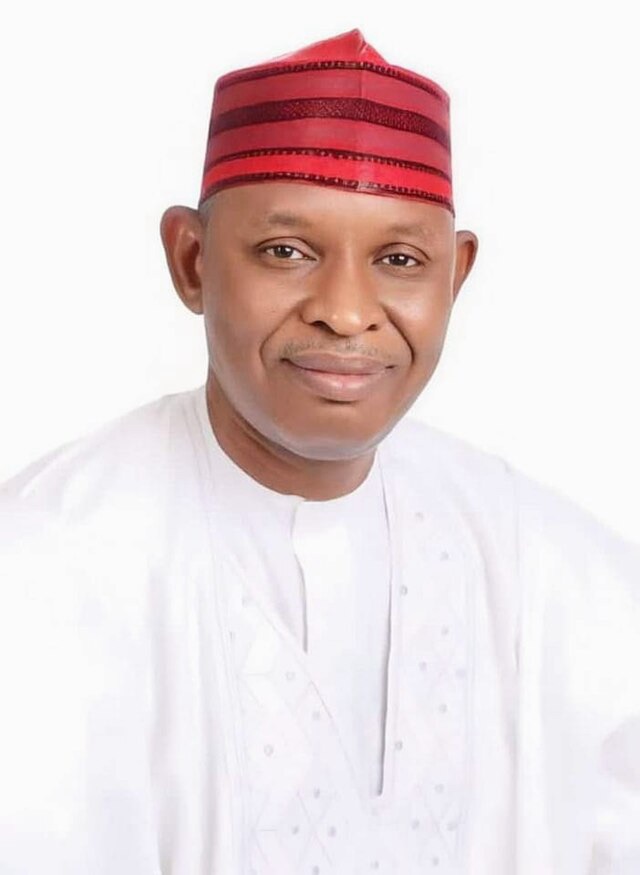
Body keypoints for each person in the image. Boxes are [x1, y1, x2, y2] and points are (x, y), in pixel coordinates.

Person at [0, 27, 638, 875]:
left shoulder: (563, 578)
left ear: (455, 275)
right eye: (287, 252)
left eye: (400, 259)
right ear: (191, 261)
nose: (345, 309)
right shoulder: (43, 568)